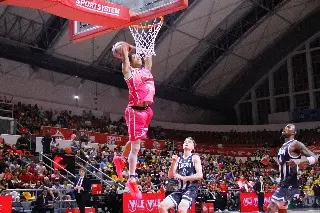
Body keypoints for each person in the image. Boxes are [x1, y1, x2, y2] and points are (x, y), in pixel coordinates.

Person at [113, 43, 154, 199]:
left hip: (147, 111)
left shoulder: (146, 71)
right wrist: (125, 51)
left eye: (139, 56)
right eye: (135, 56)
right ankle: (131, 178)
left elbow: (148, 56)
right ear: (130, 60)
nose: (138, 57)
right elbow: (125, 61)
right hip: (134, 111)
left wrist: (146, 46)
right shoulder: (129, 72)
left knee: (135, 140)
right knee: (136, 146)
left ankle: (120, 159)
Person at [262, 124, 318, 213]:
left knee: (270, 208)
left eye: (289, 127)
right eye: (285, 127)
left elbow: (315, 158)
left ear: (294, 132)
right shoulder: (282, 147)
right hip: (284, 183)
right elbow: (281, 169)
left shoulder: (295, 144)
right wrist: (268, 164)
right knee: (282, 210)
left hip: (289, 183)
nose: (285, 128)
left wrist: (299, 162)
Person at [159, 137, 203, 213]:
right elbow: (170, 176)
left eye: (189, 142)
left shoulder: (195, 157)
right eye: (185, 141)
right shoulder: (178, 159)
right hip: (179, 188)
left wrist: (184, 178)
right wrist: (173, 163)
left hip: (191, 188)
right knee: (162, 206)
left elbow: (200, 175)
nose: (186, 142)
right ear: (182, 146)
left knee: (181, 209)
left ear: (193, 147)